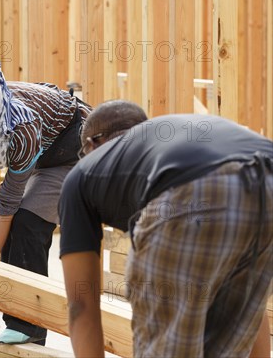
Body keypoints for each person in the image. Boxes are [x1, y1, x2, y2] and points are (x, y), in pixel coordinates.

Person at [58, 100, 272, 357]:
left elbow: (81, 305)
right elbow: (252, 313)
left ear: (93, 143)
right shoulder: (160, 148)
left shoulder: (82, 175)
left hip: (196, 188)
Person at [0, 59, 91, 345]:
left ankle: (30, 328)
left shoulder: (20, 128)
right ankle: (18, 319)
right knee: (13, 229)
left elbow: (8, 201)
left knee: (27, 223)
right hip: (44, 147)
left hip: (75, 150)